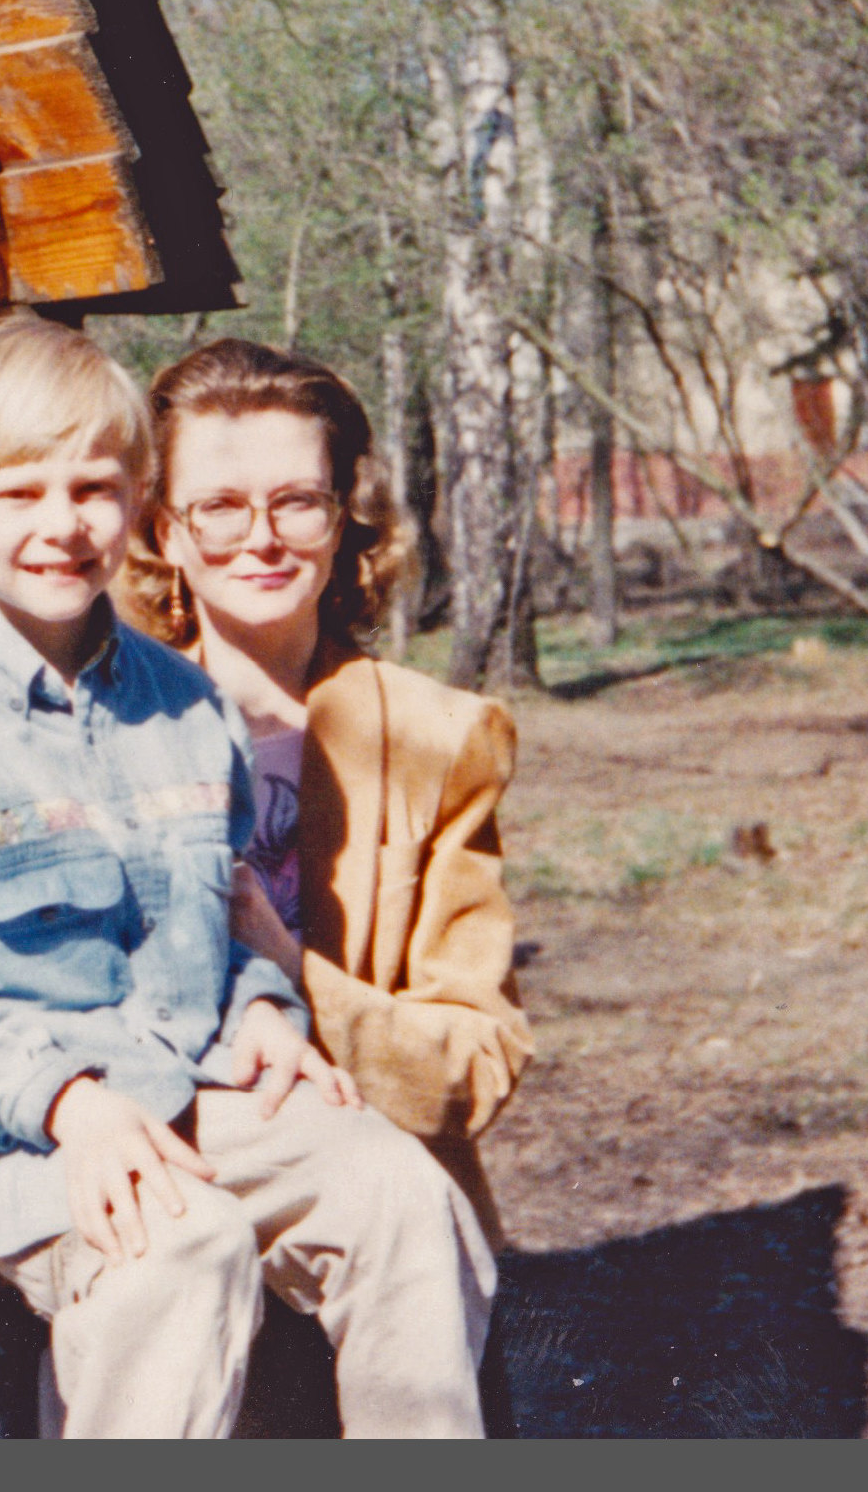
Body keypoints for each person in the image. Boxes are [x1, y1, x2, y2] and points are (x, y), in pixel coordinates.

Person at [0, 318, 495, 1438]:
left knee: (400, 1189)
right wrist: (71, 1104)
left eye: (94, 488)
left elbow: (208, 927)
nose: (60, 524)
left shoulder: (182, 704)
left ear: (138, 505)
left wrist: (266, 1010)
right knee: (184, 1243)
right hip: (17, 1128)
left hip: (188, 1080)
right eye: (19, 492)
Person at [120, 338, 529, 1248]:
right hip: (172, 1202)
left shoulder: (436, 739)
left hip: (386, 1218)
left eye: (298, 502)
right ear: (162, 531)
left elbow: (477, 1063)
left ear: (344, 519)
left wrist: (291, 966)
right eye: (219, 508)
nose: (261, 539)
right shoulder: (105, 729)